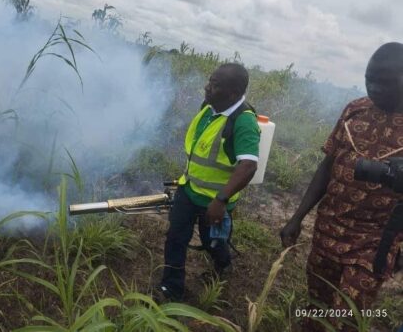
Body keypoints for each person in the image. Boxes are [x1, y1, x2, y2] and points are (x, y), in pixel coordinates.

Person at [280, 42, 403, 332]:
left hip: (374, 241)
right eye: (368, 79)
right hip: (329, 229)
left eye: (383, 82)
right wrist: (297, 217)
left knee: (349, 317)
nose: (373, 87)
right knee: (317, 306)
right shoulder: (354, 111)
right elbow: (327, 166)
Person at [159, 63, 261, 301]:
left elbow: (248, 166)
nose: (207, 88)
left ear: (233, 93)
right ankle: (171, 289)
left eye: (215, 85)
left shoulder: (244, 121)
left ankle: (223, 266)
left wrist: (221, 200)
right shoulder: (209, 107)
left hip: (215, 200)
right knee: (175, 238)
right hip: (189, 189)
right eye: (209, 81)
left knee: (212, 242)